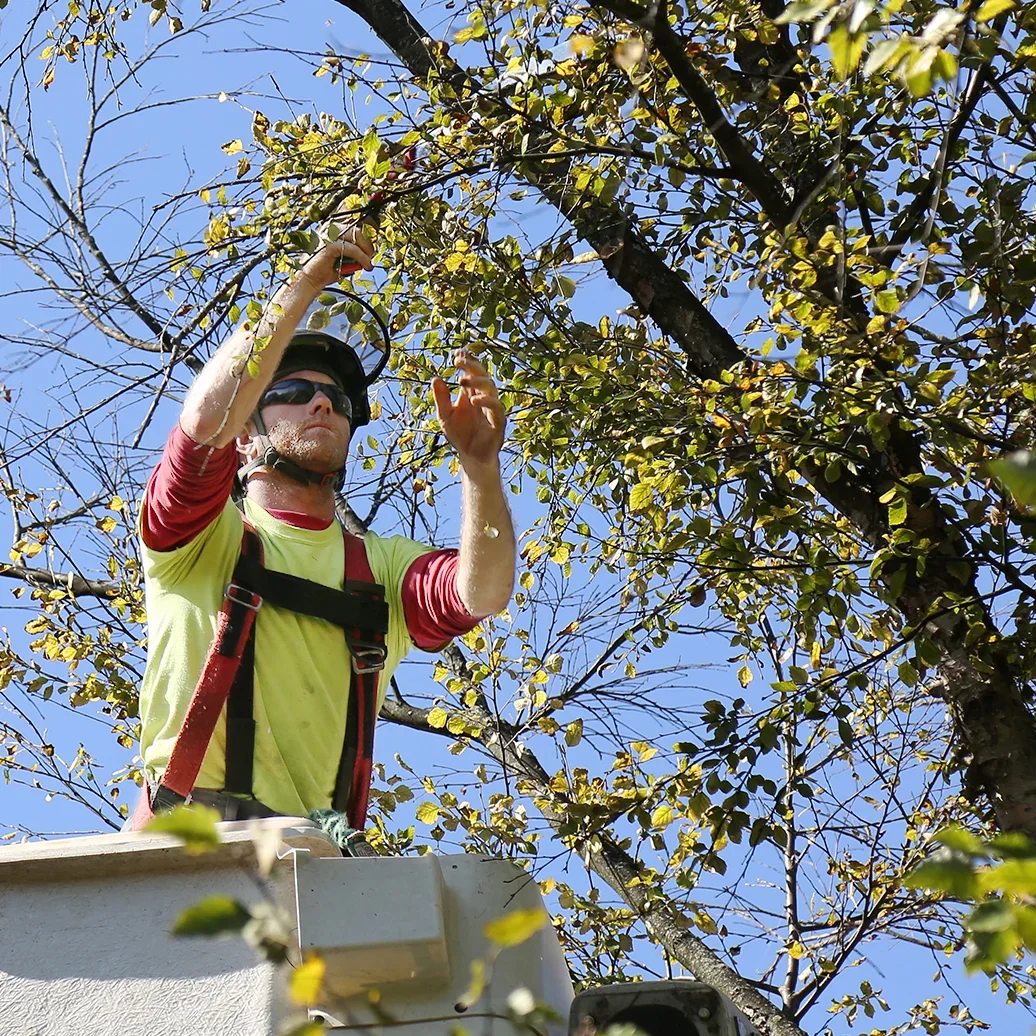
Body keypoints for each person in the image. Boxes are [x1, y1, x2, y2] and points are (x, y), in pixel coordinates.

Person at [129, 228, 515, 826]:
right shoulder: (199, 535)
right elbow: (204, 424)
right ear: (250, 433)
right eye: (293, 390)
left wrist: (480, 467)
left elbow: (481, 593)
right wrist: (306, 284)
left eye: (337, 398)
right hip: (183, 849)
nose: (323, 403)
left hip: (311, 871)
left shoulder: (377, 568)